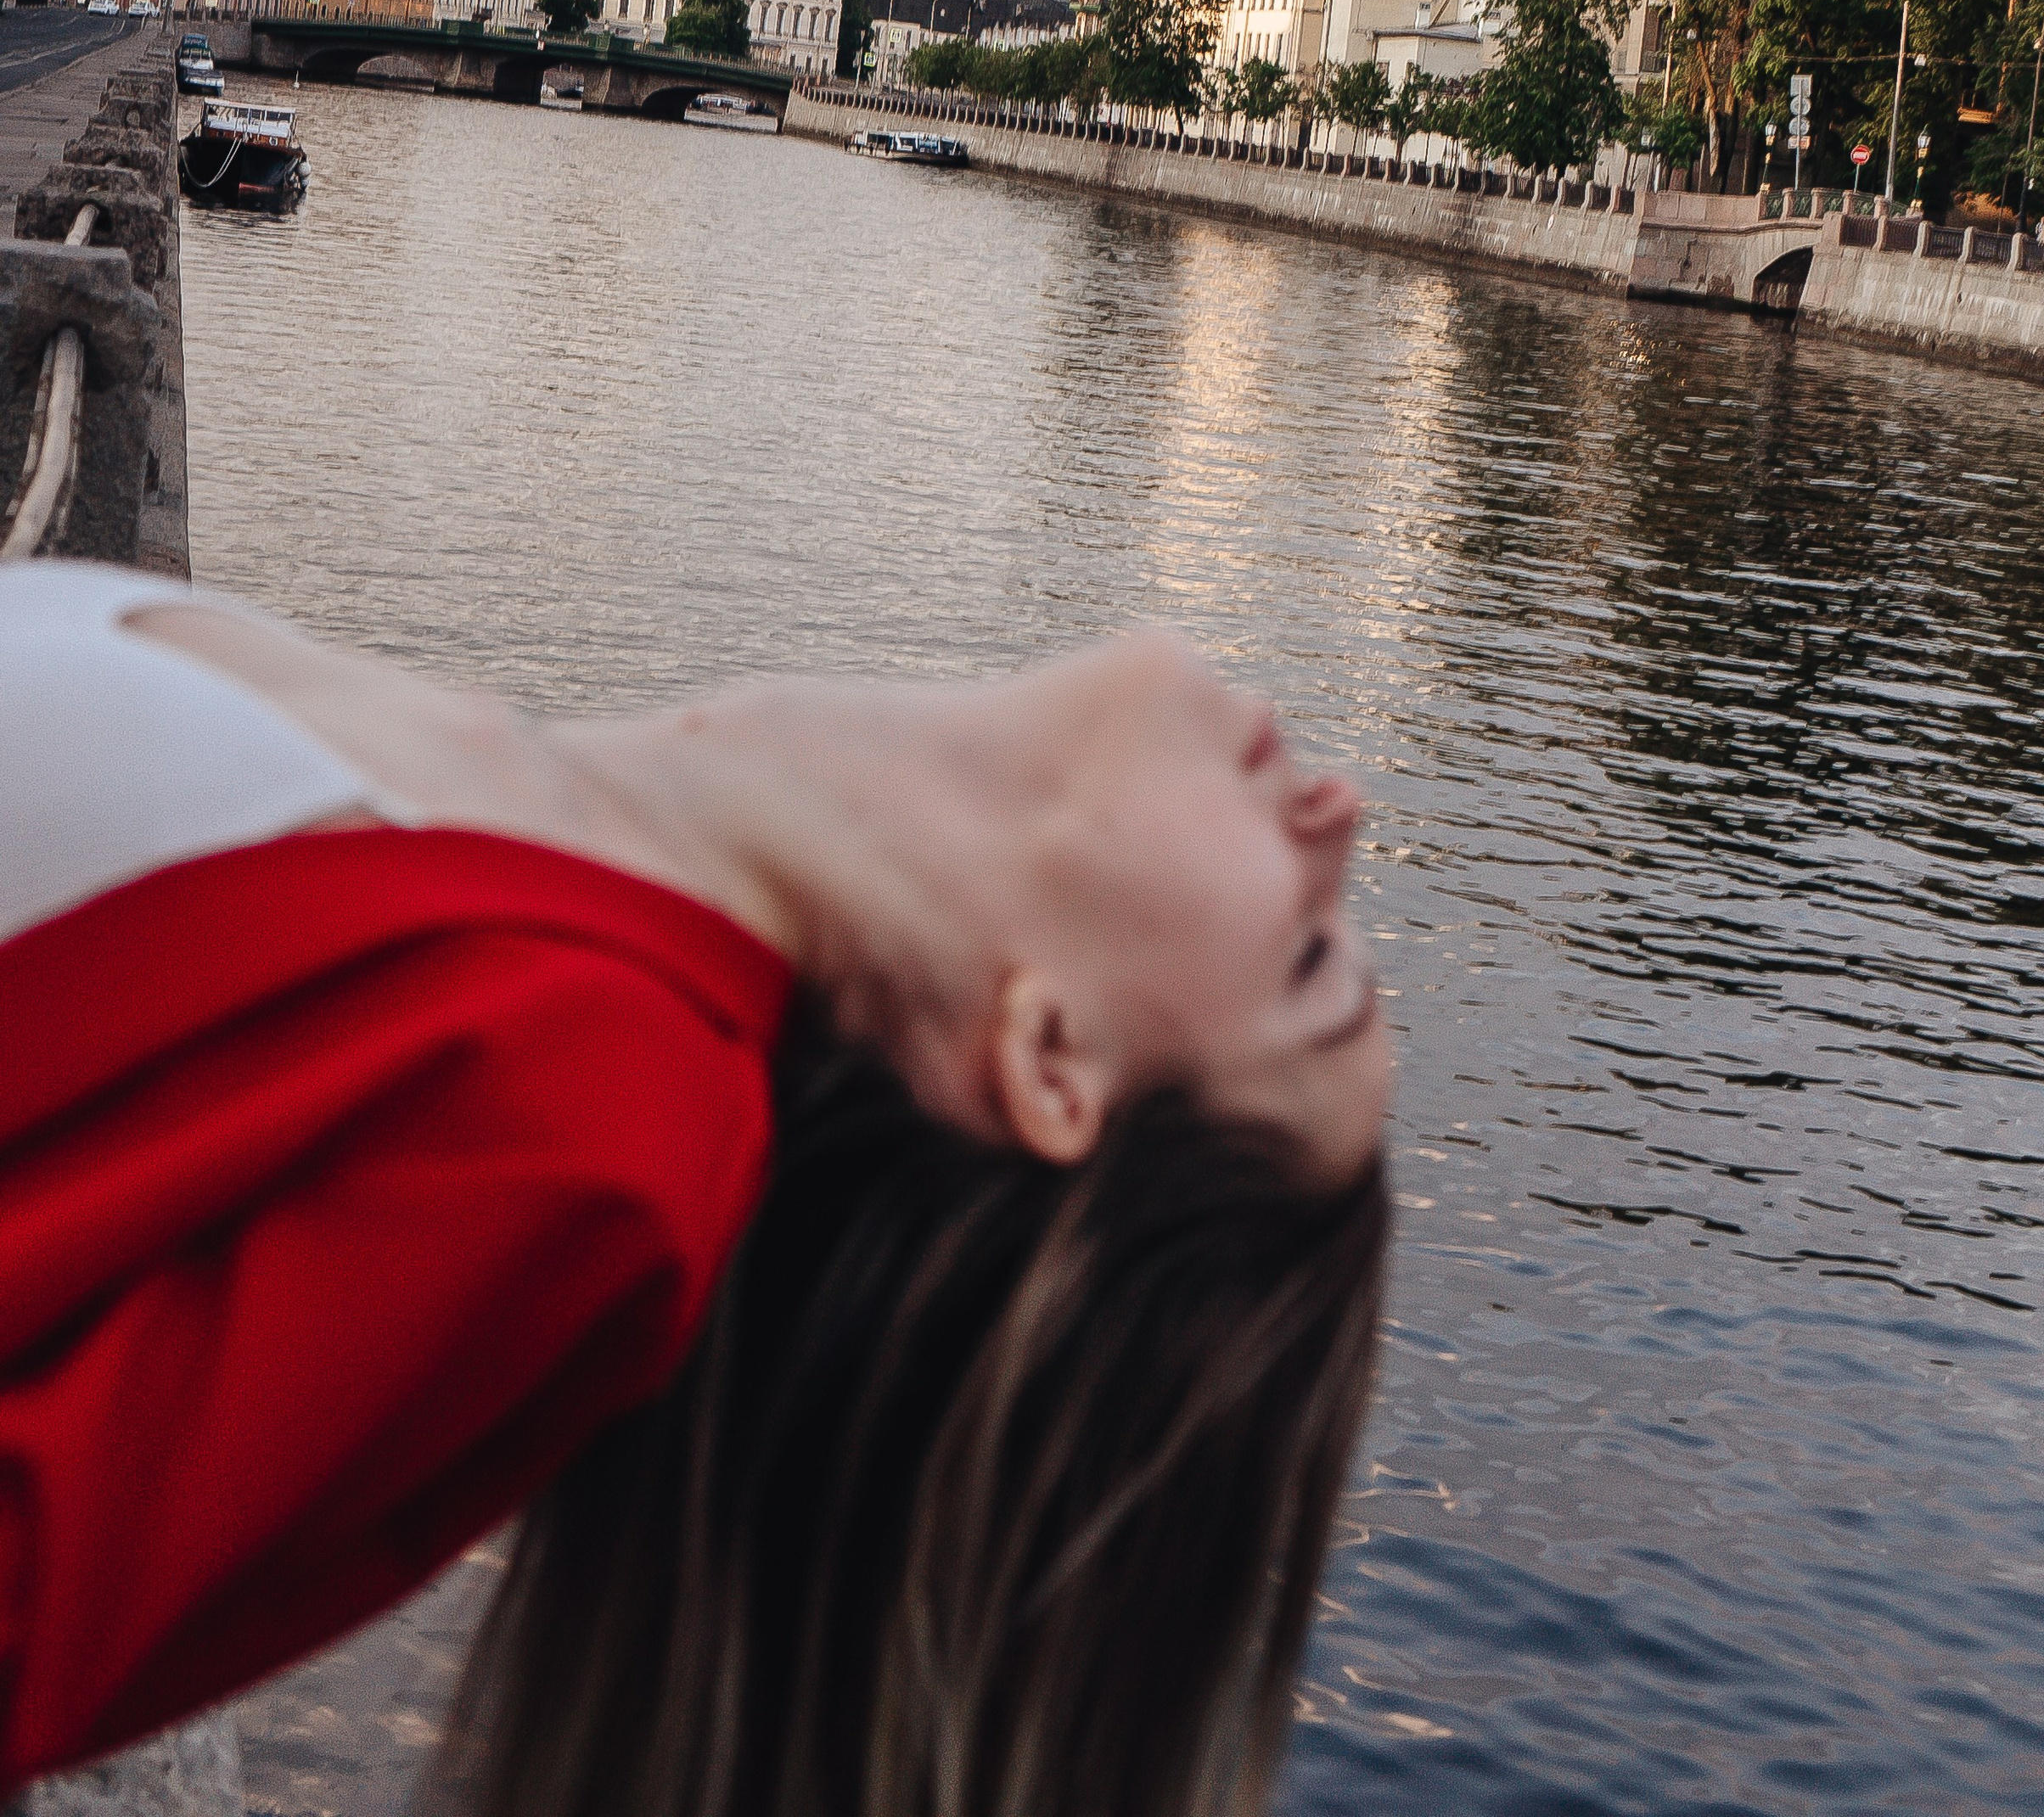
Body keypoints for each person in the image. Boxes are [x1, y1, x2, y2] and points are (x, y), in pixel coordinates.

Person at [0, 564, 1390, 1817]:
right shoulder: (550, 847)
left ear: (1053, 1059)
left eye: (1311, 963)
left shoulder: (602, 1124)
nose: (1344, 814)